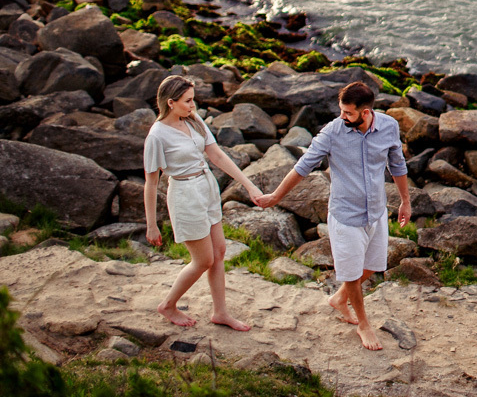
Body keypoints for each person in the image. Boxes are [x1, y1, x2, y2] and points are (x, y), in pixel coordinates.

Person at [257, 82, 411, 350]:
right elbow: (302, 167)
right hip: (345, 215)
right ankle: (364, 324)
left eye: (347, 113)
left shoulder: (388, 126)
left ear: (365, 113)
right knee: (351, 274)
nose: (342, 116)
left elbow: (396, 163)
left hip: (375, 211)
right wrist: (276, 197)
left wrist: (405, 201)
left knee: (373, 266)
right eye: (341, 111)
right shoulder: (332, 132)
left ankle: (339, 299)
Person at [144, 75, 264, 330]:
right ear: (171, 102)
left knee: (219, 252)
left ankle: (220, 313)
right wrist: (151, 225)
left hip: (207, 186)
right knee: (203, 261)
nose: (192, 105)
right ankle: (168, 305)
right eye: (187, 101)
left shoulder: (193, 119)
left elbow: (216, 154)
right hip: (185, 194)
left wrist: (249, 185)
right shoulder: (157, 136)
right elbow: (151, 183)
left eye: (193, 100)